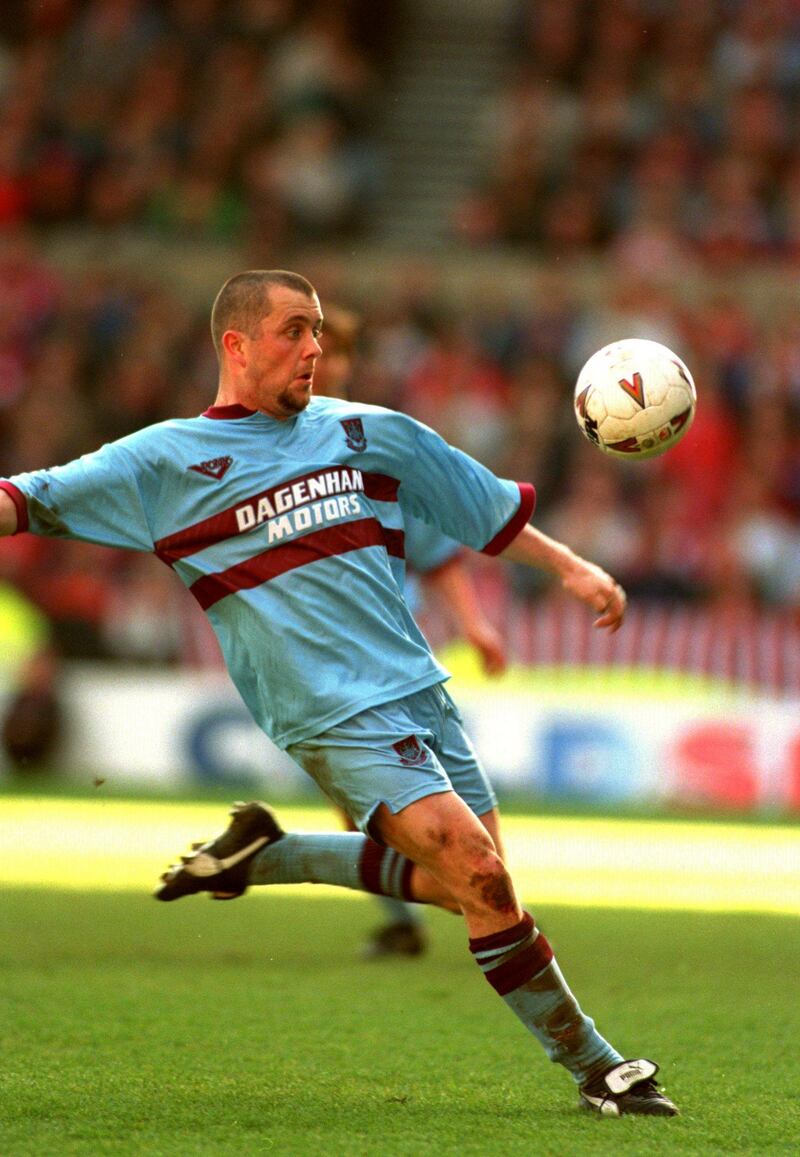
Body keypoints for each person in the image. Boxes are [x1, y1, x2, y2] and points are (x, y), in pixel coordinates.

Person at [0, 269, 678, 1118]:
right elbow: (24, 500)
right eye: (293, 330)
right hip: (332, 715)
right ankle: (600, 1068)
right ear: (236, 345)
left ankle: (271, 855)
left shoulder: (370, 432)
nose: (315, 347)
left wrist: (574, 568)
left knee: (464, 887)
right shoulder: (161, 462)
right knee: (480, 876)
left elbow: (486, 509)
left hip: (421, 692)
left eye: (318, 329)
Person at [314, 304, 507, 958]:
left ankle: (471, 892)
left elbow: (434, 550)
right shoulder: (261, 453)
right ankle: (416, 909)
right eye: (315, 350)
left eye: (334, 353)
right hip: (314, 659)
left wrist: (476, 624)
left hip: (386, 656)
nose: (324, 365)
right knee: (359, 804)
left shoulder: (371, 447)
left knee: (413, 795)